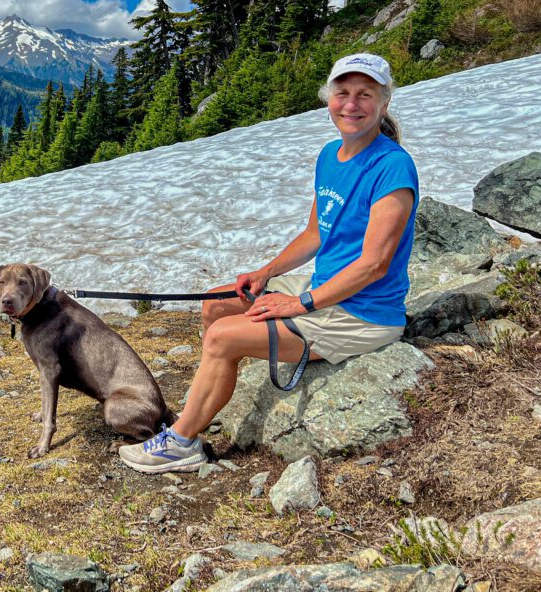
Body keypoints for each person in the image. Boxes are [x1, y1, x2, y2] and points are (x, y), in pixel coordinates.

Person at [119, 53, 419, 474]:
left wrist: (299, 304)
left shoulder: (392, 167)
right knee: (218, 302)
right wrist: (267, 273)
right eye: (343, 93)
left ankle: (181, 444)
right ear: (329, 99)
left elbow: (374, 264)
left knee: (223, 336)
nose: (352, 104)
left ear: (383, 103)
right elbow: (317, 234)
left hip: (362, 314)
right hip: (328, 288)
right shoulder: (331, 156)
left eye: (365, 95)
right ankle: (211, 395)